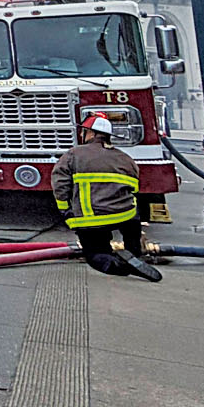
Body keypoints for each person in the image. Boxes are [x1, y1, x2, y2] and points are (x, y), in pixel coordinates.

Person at [52, 113, 162, 282]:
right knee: (133, 221)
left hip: (90, 219)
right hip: (125, 217)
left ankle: (119, 266)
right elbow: (134, 189)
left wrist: (65, 210)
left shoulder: (74, 155)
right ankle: (133, 254)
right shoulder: (126, 159)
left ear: (90, 133)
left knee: (96, 254)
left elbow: (60, 185)